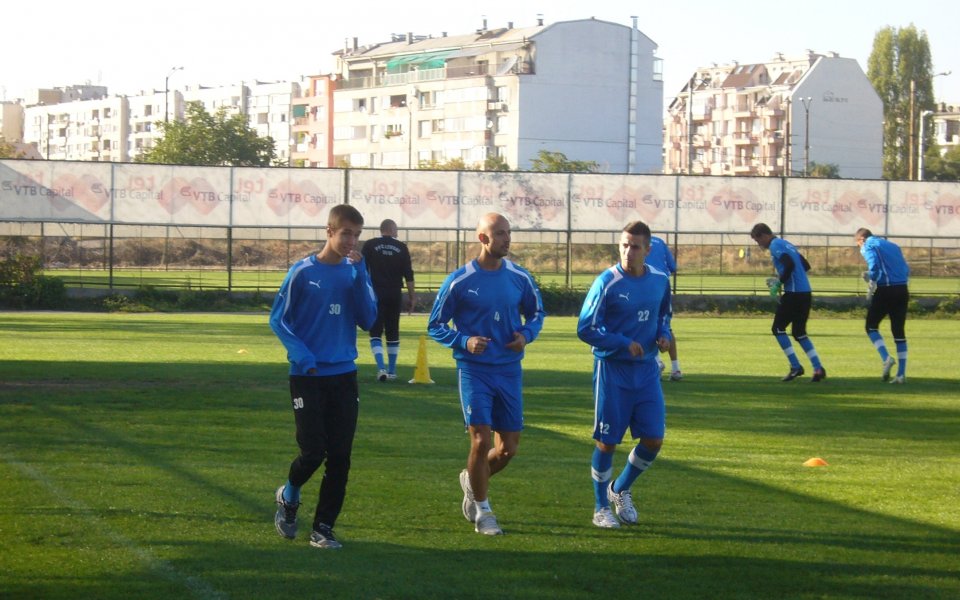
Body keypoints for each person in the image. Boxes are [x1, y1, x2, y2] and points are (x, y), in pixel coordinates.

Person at [427, 212, 546, 536]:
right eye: (501, 234)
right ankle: (483, 510)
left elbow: (537, 313)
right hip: (474, 371)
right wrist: (464, 340)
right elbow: (435, 325)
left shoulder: (519, 277)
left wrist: (526, 335)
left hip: (508, 370)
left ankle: (471, 481)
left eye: (509, 232)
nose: (507, 239)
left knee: (508, 449)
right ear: (483, 239)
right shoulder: (460, 280)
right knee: (480, 441)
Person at [269, 204, 378, 550]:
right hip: (307, 376)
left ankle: (323, 529)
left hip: (344, 375)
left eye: (357, 235)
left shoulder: (355, 272)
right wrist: (301, 354)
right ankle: (289, 495)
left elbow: (368, 319)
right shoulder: (302, 272)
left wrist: (361, 278)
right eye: (346, 233)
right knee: (313, 452)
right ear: (329, 231)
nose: (352, 241)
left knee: (341, 457)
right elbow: (278, 319)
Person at [577, 220, 672, 529]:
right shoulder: (607, 282)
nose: (628, 251)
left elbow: (664, 315)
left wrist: (663, 335)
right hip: (612, 371)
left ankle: (619, 489)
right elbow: (586, 327)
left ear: (647, 250)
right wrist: (621, 343)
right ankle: (600, 507)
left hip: (646, 371)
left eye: (634, 246)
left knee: (654, 439)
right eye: (624, 245)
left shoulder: (659, 280)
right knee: (607, 443)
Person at [750, 223, 826, 383]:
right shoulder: (787, 244)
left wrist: (780, 282)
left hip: (794, 294)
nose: (759, 245)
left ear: (764, 235)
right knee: (799, 333)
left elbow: (789, 264)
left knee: (778, 328)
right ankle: (818, 368)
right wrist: (787, 278)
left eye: (758, 241)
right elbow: (805, 265)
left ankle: (795, 366)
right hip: (805, 292)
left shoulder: (775, 245)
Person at [362, 218, 416, 382]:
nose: (397, 233)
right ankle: (392, 370)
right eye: (396, 229)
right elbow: (409, 275)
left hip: (376, 293)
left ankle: (381, 368)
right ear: (391, 230)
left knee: (376, 331)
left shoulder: (370, 245)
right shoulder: (401, 247)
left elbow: (361, 270)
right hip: (394, 293)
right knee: (393, 331)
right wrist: (412, 297)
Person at [855, 228, 910, 384]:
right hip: (902, 289)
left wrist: (870, 278)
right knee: (898, 331)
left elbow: (875, 267)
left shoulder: (869, 245)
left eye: (858, 244)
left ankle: (886, 358)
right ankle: (901, 374)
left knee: (871, 326)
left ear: (861, 239)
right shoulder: (893, 245)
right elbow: (906, 269)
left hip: (886, 290)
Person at [646, 234, 682, 381]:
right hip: (662, 286)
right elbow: (673, 267)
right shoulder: (660, 242)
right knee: (666, 326)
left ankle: (657, 362)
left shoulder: (635, 242)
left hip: (644, 285)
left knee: (645, 322)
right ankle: (676, 369)